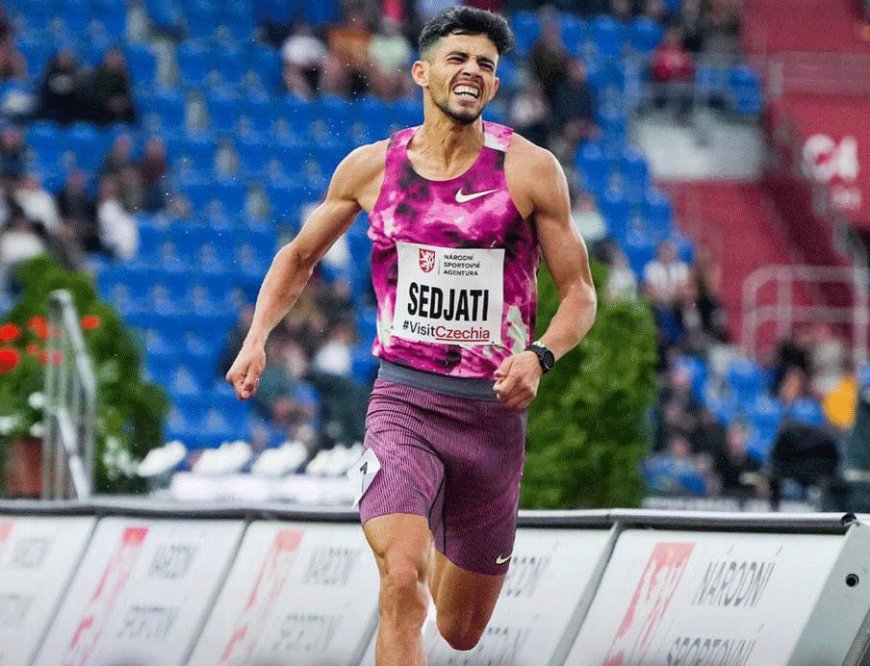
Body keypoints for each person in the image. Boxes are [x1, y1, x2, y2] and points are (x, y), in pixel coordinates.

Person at [225, 7, 596, 664]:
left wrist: (540, 355)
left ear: (495, 84)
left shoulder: (530, 171)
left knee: (459, 630)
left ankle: (447, 542)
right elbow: (298, 256)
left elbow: (580, 295)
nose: (472, 71)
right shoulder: (373, 169)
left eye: (486, 64)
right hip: (404, 404)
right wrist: (256, 337)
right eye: (458, 58)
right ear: (421, 73)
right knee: (400, 580)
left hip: (491, 418)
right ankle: (414, 554)